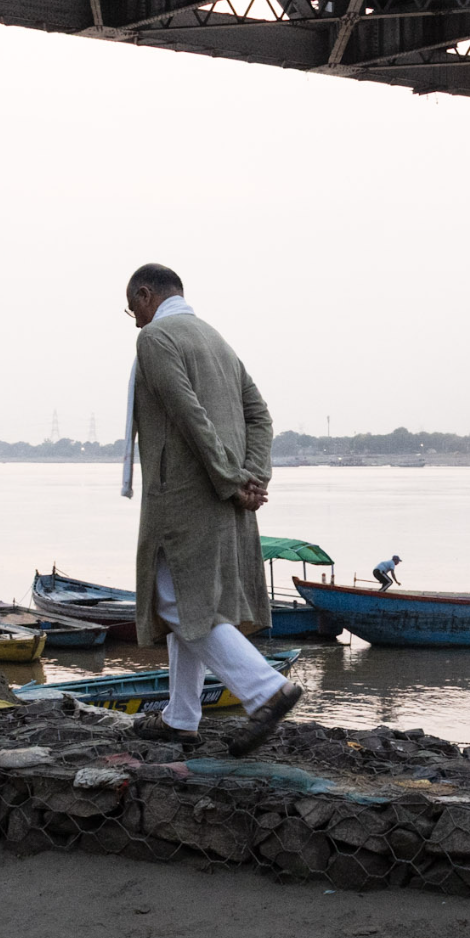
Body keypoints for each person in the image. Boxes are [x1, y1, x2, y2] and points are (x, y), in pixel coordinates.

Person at [122, 263, 302, 756]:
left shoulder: (157, 339)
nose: (132, 319)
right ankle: (182, 717)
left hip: (184, 497)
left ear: (146, 294)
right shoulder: (216, 339)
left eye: (132, 307)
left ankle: (267, 691)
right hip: (226, 497)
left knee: (177, 602)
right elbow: (260, 414)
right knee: (191, 602)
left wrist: (231, 479)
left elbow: (189, 416)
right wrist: (253, 476)